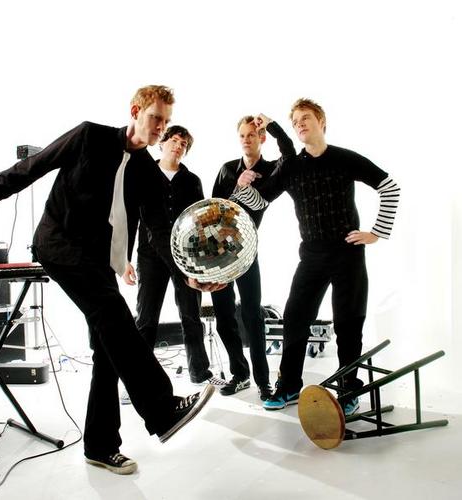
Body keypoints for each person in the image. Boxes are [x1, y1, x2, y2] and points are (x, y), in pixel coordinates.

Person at [0, 85, 223, 475]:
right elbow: (33, 167)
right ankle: (162, 410)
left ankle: (100, 446)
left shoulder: (148, 172)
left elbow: (159, 233)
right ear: (135, 111)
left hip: (101, 262)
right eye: (155, 117)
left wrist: (188, 276)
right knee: (113, 315)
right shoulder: (89, 136)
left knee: (108, 346)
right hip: (59, 244)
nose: (160, 127)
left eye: (166, 121)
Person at [233, 98, 400, 414]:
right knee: (295, 318)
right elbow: (259, 202)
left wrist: (376, 232)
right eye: (295, 121)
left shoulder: (345, 158)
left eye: (306, 117)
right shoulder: (291, 167)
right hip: (311, 256)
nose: (300, 123)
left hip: (348, 255)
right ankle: (288, 387)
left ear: (321, 122)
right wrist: (242, 186)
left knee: (348, 326)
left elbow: (389, 187)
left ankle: (349, 392)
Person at [124, 125, 222, 385]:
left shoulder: (192, 181)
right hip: (149, 256)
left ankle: (200, 374)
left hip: (185, 257)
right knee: (146, 319)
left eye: (183, 144)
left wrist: (204, 263)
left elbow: (201, 222)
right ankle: (138, 382)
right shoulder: (143, 174)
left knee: (191, 316)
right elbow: (131, 217)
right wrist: (124, 260)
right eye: (174, 141)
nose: (178, 146)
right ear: (162, 143)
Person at [211, 114, 295, 401]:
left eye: (252, 135)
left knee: (252, 315)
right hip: (219, 254)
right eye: (242, 135)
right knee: (224, 317)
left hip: (246, 251)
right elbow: (212, 211)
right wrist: (237, 187)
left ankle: (263, 381)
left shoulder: (271, 170)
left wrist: (271, 124)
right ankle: (240, 374)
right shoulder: (226, 170)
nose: (246, 140)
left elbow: (290, 154)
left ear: (261, 138)